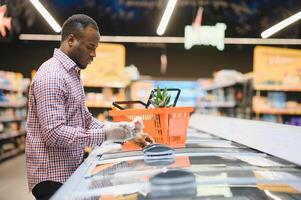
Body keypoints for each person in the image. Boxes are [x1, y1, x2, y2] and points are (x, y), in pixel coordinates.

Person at [25, 14, 153, 200]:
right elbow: (54, 133)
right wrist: (106, 135)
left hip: (69, 172)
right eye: (90, 47)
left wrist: (128, 133)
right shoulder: (52, 76)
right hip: (52, 179)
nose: (94, 54)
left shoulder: (71, 74)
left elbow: (85, 119)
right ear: (71, 40)